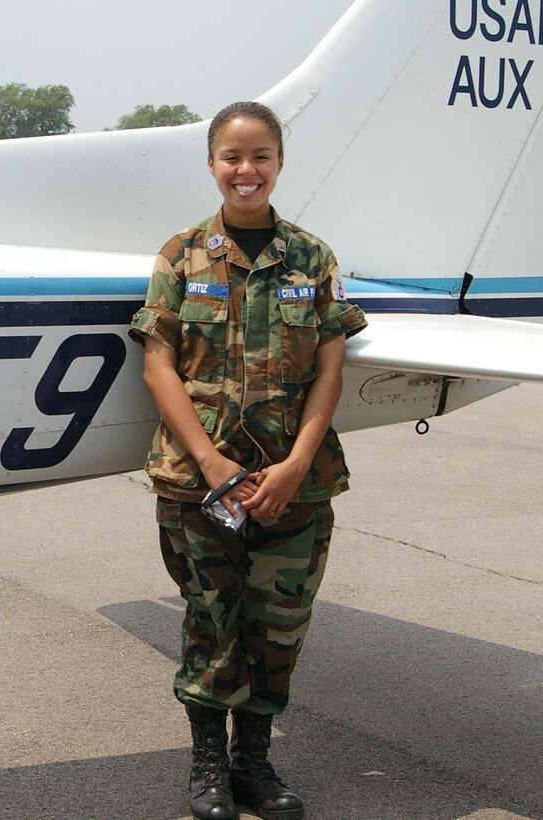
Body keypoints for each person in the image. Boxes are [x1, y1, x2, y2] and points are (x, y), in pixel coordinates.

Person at [129, 100, 367, 820]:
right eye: (232, 157)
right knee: (211, 623)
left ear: (278, 163)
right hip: (201, 486)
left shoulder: (312, 258)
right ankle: (207, 769)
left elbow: (329, 371)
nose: (246, 170)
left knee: (276, 628)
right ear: (212, 165)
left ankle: (253, 764)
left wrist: (295, 464)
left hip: (295, 486)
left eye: (260, 156)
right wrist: (208, 462)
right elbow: (158, 365)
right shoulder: (181, 255)